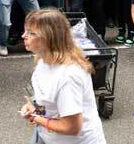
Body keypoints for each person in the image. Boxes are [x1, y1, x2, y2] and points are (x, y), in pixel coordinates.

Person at [19, 9, 106, 144]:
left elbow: (72, 127)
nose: (23, 36)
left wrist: (36, 117)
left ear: (48, 38)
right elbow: (51, 106)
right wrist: (36, 109)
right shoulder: (42, 61)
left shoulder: (68, 76)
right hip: (47, 137)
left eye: (31, 33)